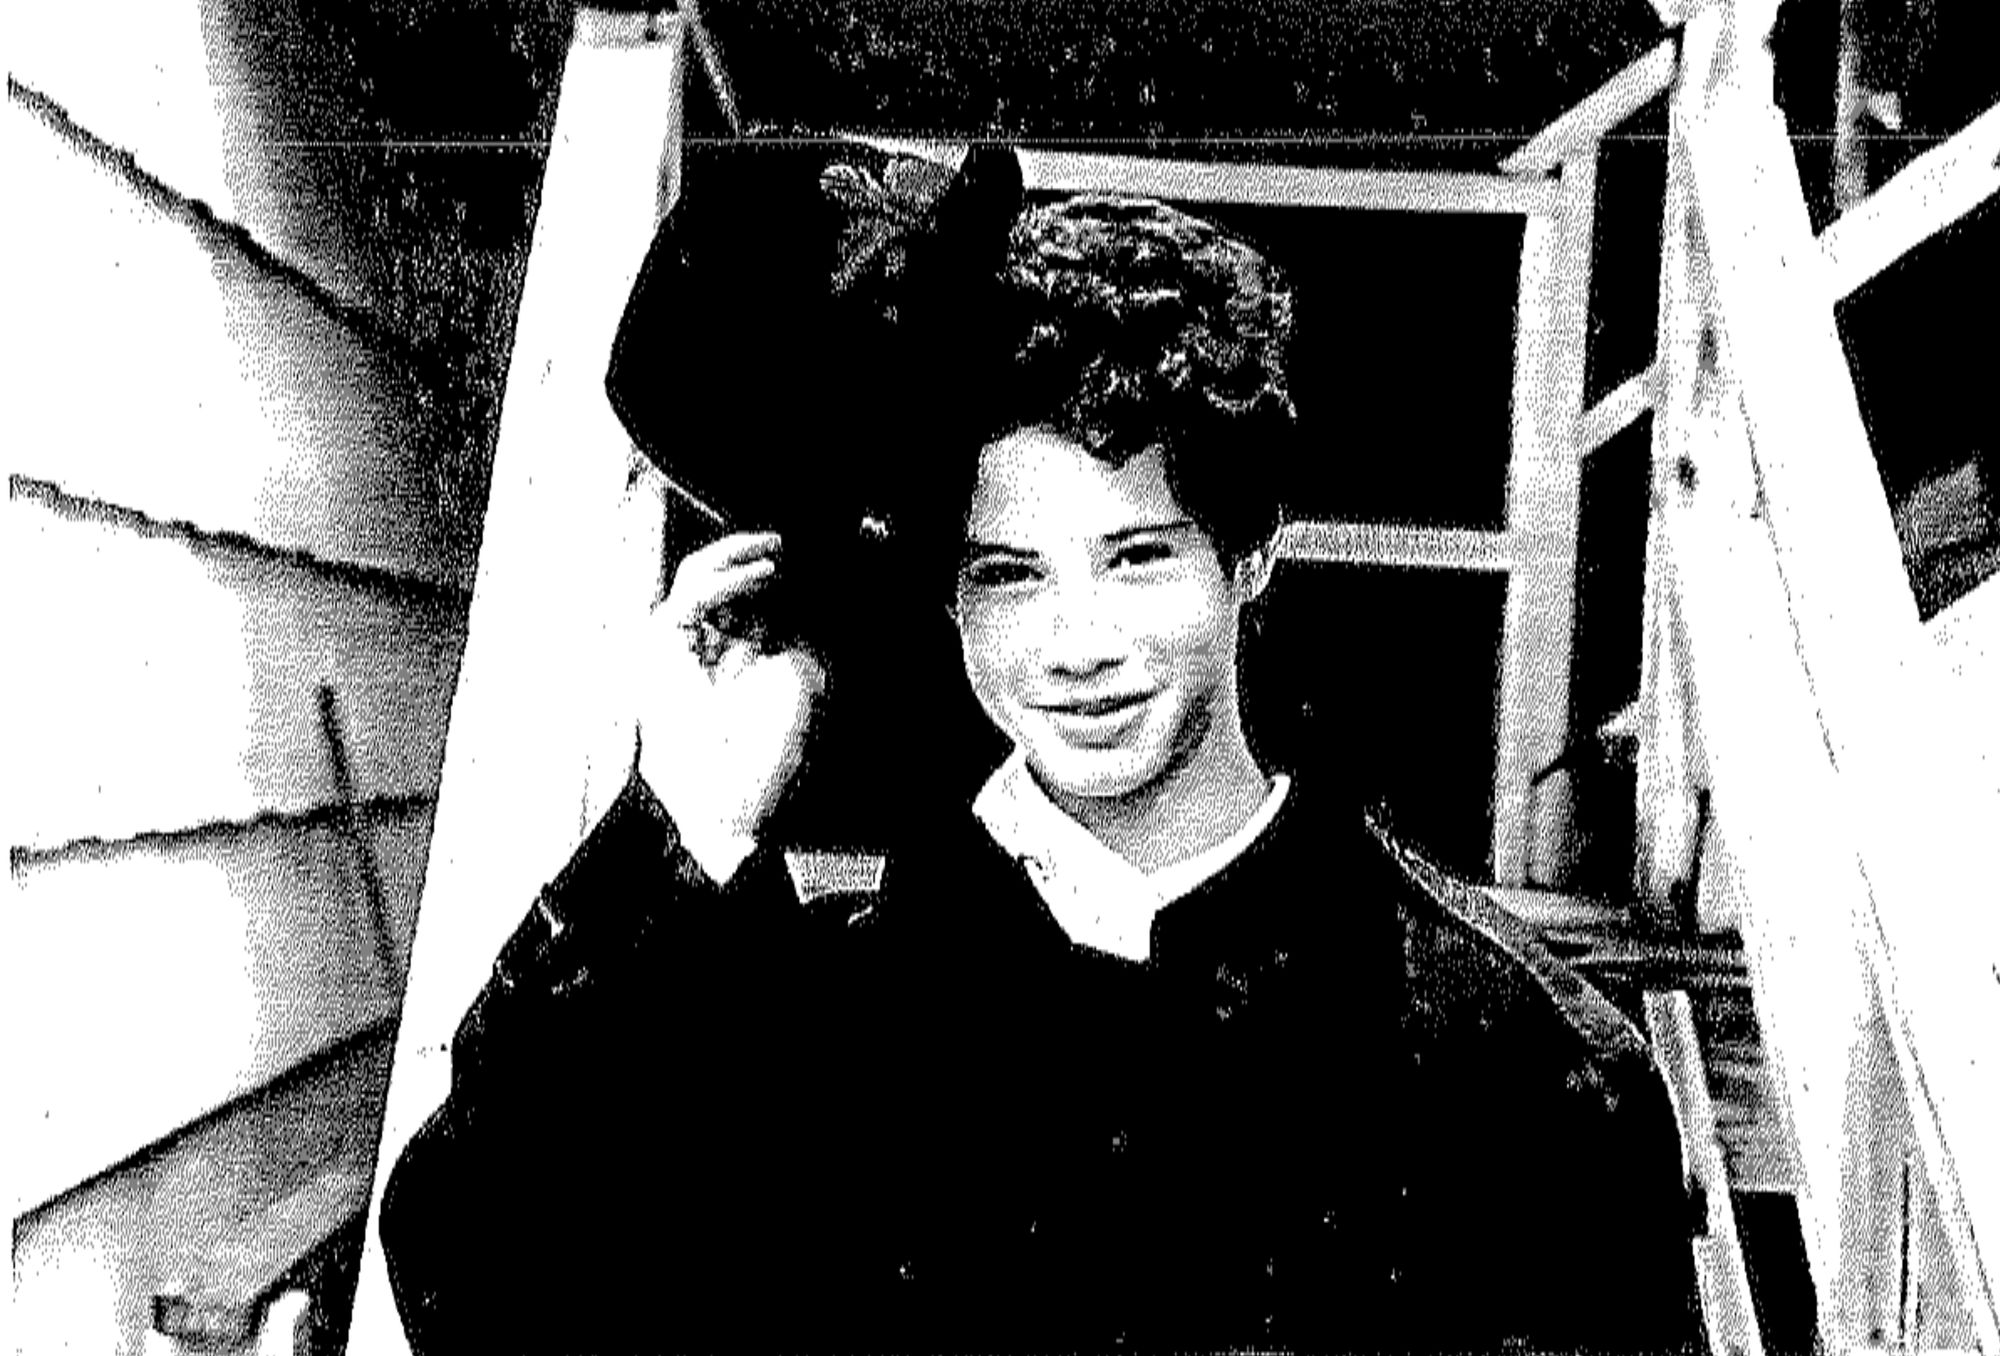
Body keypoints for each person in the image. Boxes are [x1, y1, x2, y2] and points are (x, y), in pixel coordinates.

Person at [379, 143, 1702, 1354]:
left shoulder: (1515, 1056)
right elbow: (482, 1286)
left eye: (1136, 559)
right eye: (1008, 575)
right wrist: (686, 825)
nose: (1077, 646)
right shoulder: (831, 1005)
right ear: (942, 597)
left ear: (1250, 557)